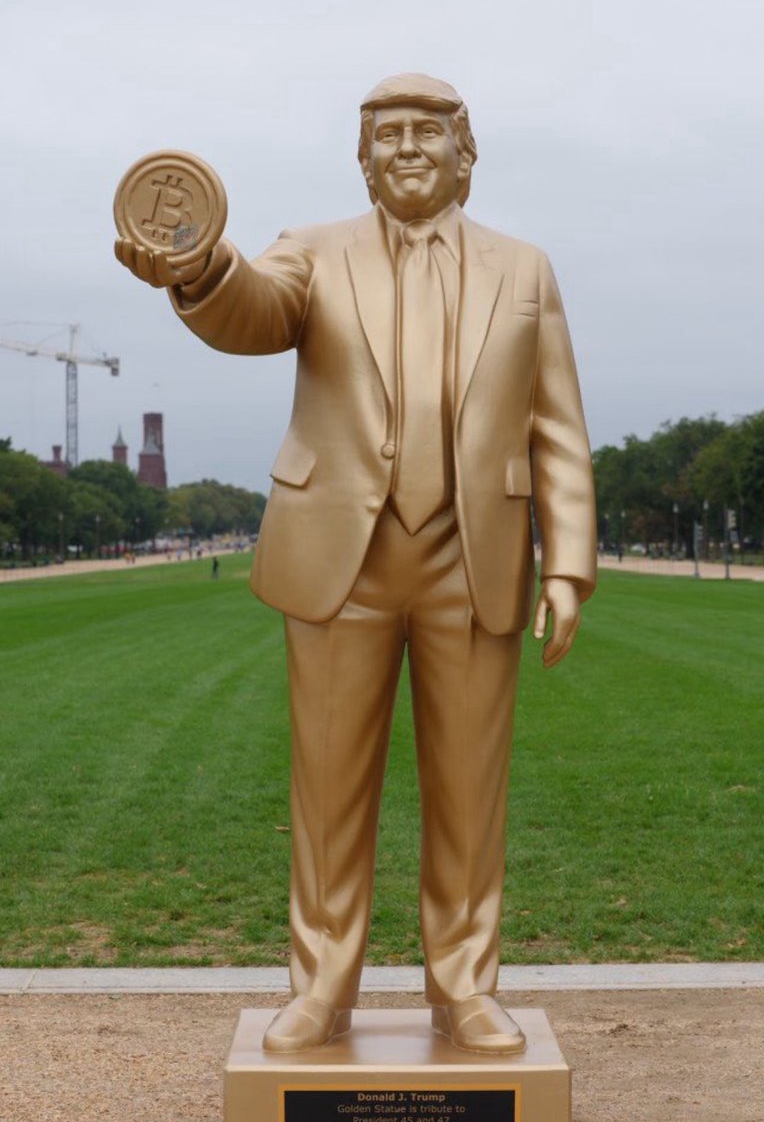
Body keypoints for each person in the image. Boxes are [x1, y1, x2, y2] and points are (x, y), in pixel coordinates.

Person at [115, 73, 596, 1055]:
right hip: (342, 561)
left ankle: (465, 988)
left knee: (470, 794)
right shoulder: (312, 252)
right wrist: (198, 268)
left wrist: (568, 563)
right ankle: (319, 989)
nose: (406, 147)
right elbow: (250, 311)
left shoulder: (526, 269)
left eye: (427, 131)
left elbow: (557, 425)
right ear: (361, 157)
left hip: (475, 557)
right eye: (385, 134)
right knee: (328, 793)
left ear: (467, 151)